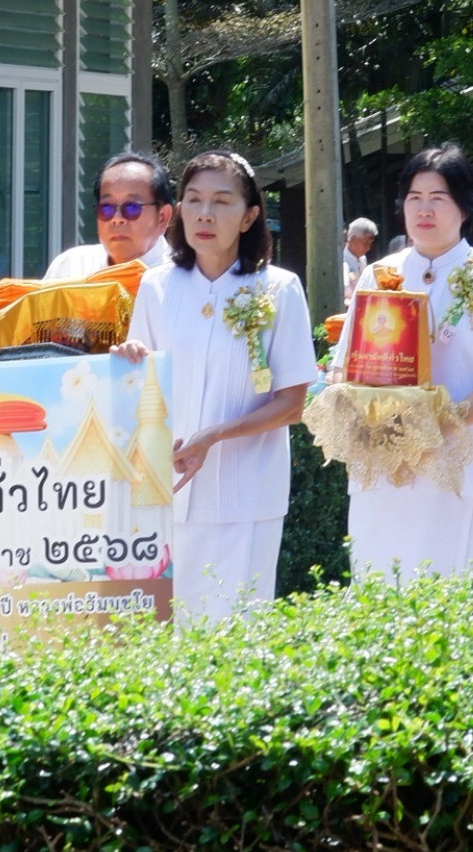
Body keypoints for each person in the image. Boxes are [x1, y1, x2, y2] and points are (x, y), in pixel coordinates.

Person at [113, 152, 316, 618]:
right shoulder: (156, 286)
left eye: (222, 202)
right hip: (164, 491)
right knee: (164, 634)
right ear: (179, 211)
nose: (205, 214)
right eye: (194, 200)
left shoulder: (278, 289)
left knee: (233, 631)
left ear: (249, 217)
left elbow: (291, 403)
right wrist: (126, 362)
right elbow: (138, 385)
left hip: (245, 493)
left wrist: (215, 435)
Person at [329, 146, 473, 579]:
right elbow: (345, 364)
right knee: (381, 583)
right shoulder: (378, 274)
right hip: (385, 460)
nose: (424, 208)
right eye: (414, 197)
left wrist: (440, 427)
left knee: (456, 592)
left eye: (438, 197)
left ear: (465, 206)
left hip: (460, 460)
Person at [43, 151, 177, 283]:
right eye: (107, 208)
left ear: (162, 217)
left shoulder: (183, 280)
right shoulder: (70, 269)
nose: (117, 219)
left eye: (131, 207)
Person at [340, 218, 379, 303]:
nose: (368, 248)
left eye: (370, 244)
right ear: (353, 239)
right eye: (365, 243)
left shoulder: (363, 259)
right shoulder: (341, 261)